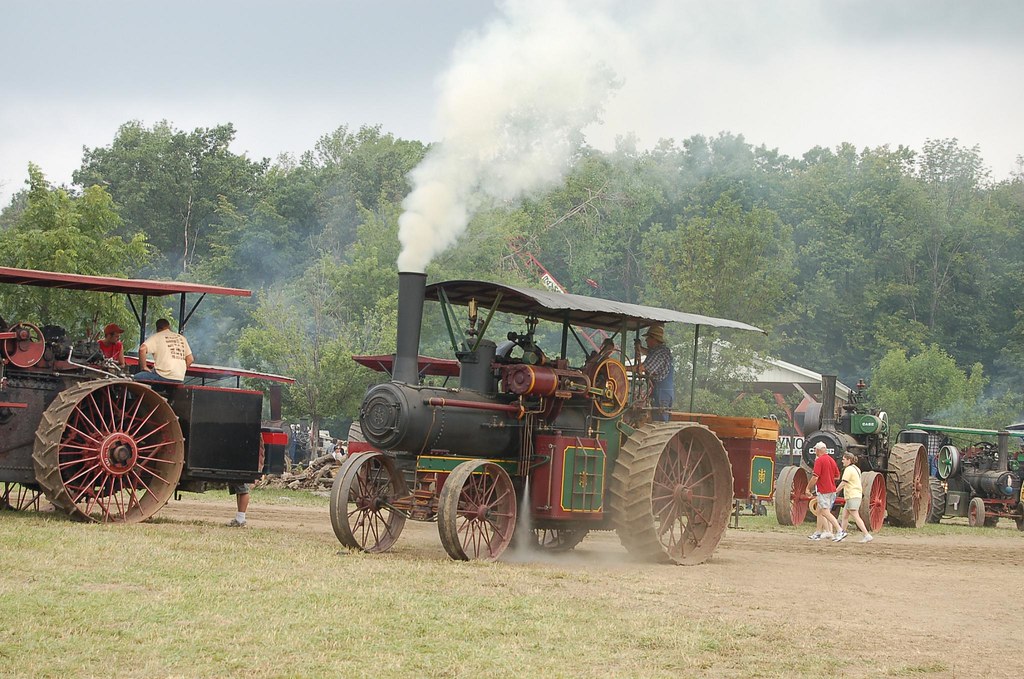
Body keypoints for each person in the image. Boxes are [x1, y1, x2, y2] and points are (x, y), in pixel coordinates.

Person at [134, 318, 194, 382]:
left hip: (163, 376)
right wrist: (180, 371)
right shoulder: (182, 338)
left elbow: (142, 349)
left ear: (157, 329)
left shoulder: (157, 336)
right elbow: (190, 359)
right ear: (169, 326)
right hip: (179, 378)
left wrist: (144, 367)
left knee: (137, 377)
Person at [806, 441, 842, 540]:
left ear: (818, 450)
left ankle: (840, 530)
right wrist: (828, 479)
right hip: (832, 490)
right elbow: (837, 476)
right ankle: (818, 532)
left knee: (825, 512)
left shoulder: (819, 461)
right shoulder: (831, 460)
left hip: (823, 490)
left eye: (815, 450)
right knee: (820, 510)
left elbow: (815, 477)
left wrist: (808, 488)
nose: (814, 452)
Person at [834, 451, 873, 543]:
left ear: (849, 460)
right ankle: (842, 534)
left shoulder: (848, 470)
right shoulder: (856, 469)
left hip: (852, 495)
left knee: (855, 516)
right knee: (845, 516)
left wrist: (835, 491)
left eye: (844, 459)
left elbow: (844, 482)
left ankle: (867, 534)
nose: (842, 461)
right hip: (854, 495)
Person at [640, 324, 673, 420]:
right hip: (660, 390)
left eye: (648, 338)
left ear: (654, 339)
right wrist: (639, 348)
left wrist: (622, 367)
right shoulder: (658, 351)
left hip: (662, 392)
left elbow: (643, 368)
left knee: (660, 419)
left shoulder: (660, 353)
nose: (646, 340)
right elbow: (649, 352)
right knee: (655, 417)